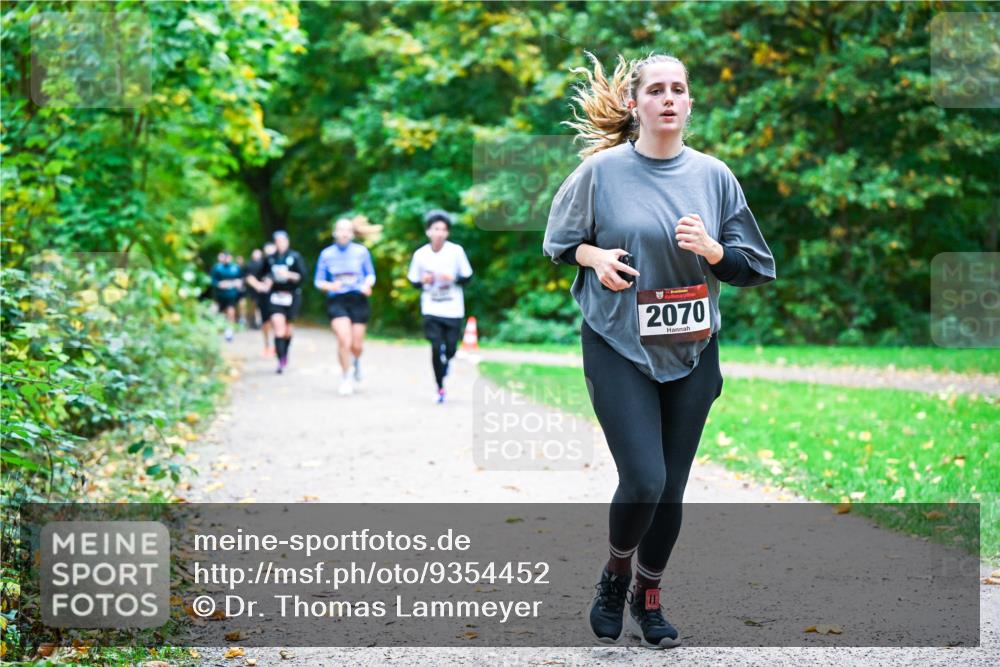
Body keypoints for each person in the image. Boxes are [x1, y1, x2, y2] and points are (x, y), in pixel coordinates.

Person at [543, 52, 776, 648]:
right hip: (618, 342)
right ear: (634, 103)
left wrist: (715, 251)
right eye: (656, 90)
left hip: (693, 350)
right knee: (644, 478)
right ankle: (614, 574)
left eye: (678, 89)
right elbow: (560, 244)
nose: (668, 98)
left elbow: (758, 268)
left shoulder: (715, 176)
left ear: (689, 103)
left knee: (671, 486)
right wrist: (594, 258)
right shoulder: (599, 174)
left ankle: (650, 595)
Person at [407, 209, 473, 403]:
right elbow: (413, 281)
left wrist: (453, 278)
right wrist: (423, 280)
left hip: (453, 307)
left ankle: (446, 364)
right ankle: (440, 387)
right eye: (436, 229)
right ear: (428, 231)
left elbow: (468, 277)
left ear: (447, 233)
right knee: (436, 347)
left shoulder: (456, 251)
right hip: (431, 307)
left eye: (443, 229)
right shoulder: (420, 254)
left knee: (450, 349)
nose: (439, 233)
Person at [314, 218, 376, 395]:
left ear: (352, 233)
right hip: (337, 300)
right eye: (341, 230)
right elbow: (319, 281)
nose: (344, 233)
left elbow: (370, 275)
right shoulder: (326, 254)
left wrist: (367, 285)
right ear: (335, 232)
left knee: (356, 345)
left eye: (348, 230)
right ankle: (346, 377)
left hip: (358, 299)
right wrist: (329, 286)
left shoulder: (361, 252)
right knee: (344, 339)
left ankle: (356, 362)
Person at [265, 231, 307, 373]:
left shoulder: (295, 257)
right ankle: (280, 359)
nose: (280, 243)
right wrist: (265, 282)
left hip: (292, 296)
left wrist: (289, 275)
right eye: (278, 240)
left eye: (283, 240)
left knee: (288, 331)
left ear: (287, 241)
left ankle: (285, 353)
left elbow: (303, 277)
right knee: (279, 328)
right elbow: (259, 275)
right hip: (276, 297)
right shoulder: (270, 259)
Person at [244, 245, 275, 355]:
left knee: (276, 320)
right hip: (262, 296)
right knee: (266, 321)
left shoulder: (280, 263)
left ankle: (277, 344)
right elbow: (249, 277)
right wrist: (258, 285)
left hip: (277, 298)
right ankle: (267, 344)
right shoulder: (258, 265)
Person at [209, 250, 243, 342]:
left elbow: (241, 279)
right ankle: (215, 330)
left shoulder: (236, 268)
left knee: (231, 312)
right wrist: (220, 284)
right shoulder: (217, 268)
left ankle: (229, 331)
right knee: (218, 313)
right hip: (219, 295)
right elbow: (213, 281)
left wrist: (237, 284)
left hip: (231, 295)